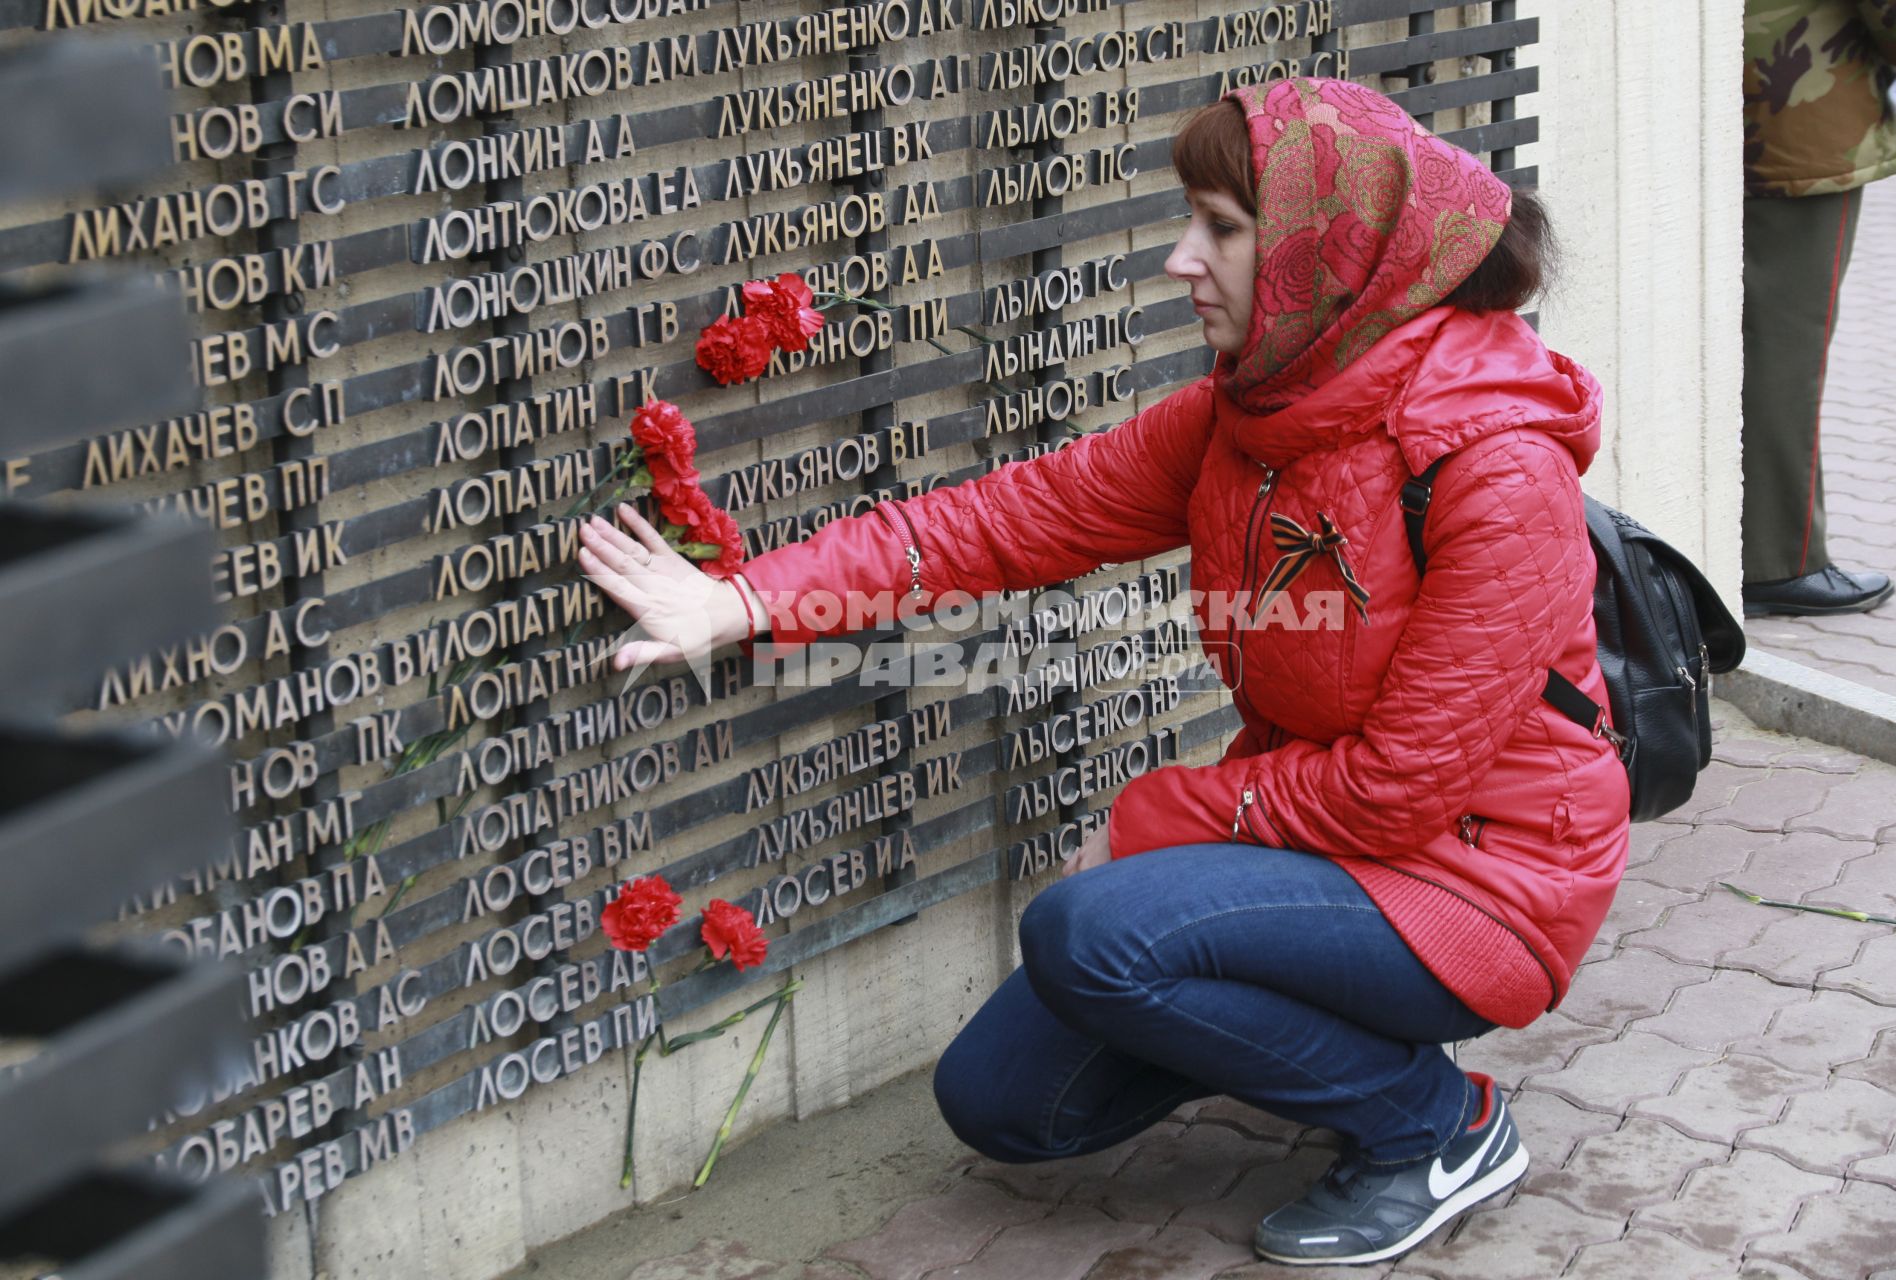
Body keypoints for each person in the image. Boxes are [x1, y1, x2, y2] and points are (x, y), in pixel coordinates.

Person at [579, 78, 1630, 1267]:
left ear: (1327, 254)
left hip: (1485, 879)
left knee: (1089, 930)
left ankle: (1438, 1125)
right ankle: (1326, 1042)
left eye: (1223, 228)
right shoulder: (1259, 412)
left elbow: (1399, 789)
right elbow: (1009, 519)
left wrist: (1144, 824)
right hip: (1320, 845)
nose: (1184, 258)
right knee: (1007, 1101)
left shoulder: (1496, 470)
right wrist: (747, 598)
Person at [1741, 0, 1896, 615]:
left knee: (1752, 339)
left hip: (1735, 101)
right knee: (1785, 349)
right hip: (1799, 121)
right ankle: (1776, 562)